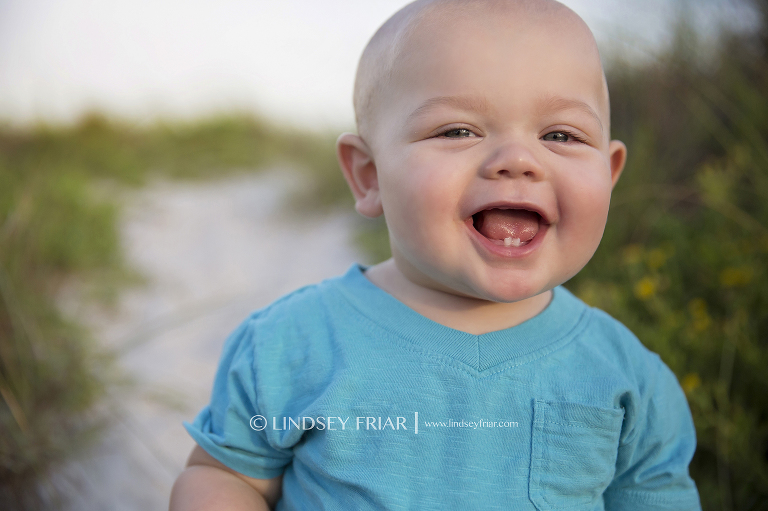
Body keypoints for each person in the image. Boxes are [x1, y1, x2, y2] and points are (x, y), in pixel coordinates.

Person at [170, 0, 702, 509]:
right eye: (458, 130)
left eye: (560, 134)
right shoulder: (292, 346)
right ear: (369, 175)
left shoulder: (626, 377)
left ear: (608, 177)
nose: (517, 159)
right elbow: (224, 476)